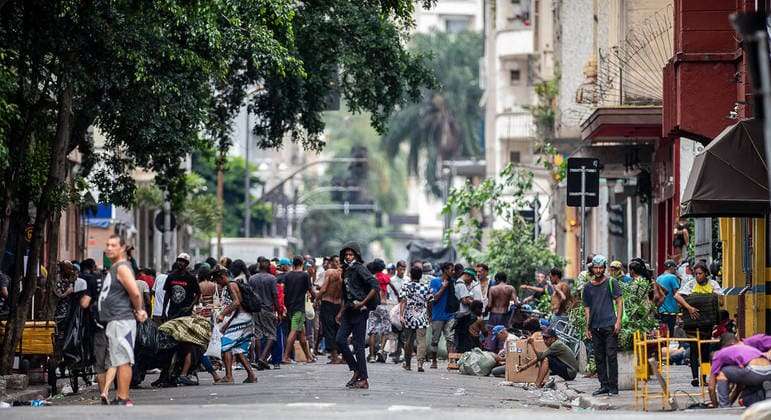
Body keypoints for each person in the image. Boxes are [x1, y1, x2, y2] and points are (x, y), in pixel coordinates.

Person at [97, 235, 148, 406]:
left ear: (122, 248)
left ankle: (123, 397)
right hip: (115, 320)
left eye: (113, 245)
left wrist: (139, 310)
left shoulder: (123, 268)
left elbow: (134, 292)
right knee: (118, 359)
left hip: (123, 320)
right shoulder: (115, 267)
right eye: (107, 245)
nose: (109, 248)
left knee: (124, 360)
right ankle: (120, 396)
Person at [336, 242, 379, 389]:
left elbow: (375, 285)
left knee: (358, 346)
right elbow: (345, 294)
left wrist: (362, 303)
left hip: (360, 312)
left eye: (351, 254)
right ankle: (356, 370)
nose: (348, 257)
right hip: (348, 310)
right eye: (346, 255)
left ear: (356, 255)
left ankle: (364, 379)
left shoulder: (360, 268)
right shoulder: (346, 270)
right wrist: (340, 312)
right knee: (340, 340)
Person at [675, 262, 723, 386]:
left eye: (700, 274)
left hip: (707, 324)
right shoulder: (691, 284)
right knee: (693, 350)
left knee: (705, 351)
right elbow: (677, 296)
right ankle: (695, 377)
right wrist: (689, 307)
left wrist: (710, 299)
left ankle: (704, 377)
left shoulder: (713, 284)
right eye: (695, 274)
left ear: (706, 273)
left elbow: (720, 301)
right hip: (692, 325)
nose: (697, 276)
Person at [582, 254, 623, 396]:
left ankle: (613, 387)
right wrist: (587, 327)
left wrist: (618, 321)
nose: (598, 270)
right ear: (592, 269)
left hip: (610, 325)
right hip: (595, 326)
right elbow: (587, 308)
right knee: (599, 357)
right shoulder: (587, 287)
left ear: (604, 268)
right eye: (596, 268)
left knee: (611, 356)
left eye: (601, 268)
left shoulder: (612, 282)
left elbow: (619, 301)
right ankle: (603, 385)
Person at [213, 266, 257, 384]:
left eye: (218, 280)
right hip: (245, 317)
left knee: (226, 345)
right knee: (237, 349)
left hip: (242, 318)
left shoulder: (231, 285)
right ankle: (251, 375)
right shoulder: (233, 284)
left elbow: (236, 302)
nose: (218, 283)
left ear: (222, 277)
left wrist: (222, 314)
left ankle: (228, 376)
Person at [709, 333, 771, 408]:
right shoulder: (745, 349)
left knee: (722, 373)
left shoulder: (718, 355)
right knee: (745, 396)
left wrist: (716, 407)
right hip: (768, 371)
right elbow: (740, 385)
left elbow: (711, 387)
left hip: (755, 371)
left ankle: (723, 407)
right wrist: (730, 402)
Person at [282, 256, 316, 363]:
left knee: (302, 333)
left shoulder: (287, 276)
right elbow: (310, 290)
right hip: (299, 308)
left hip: (290, 307)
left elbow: (284, 292)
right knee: (294, 331)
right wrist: (316, 299)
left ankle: (309, 357)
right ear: (302, 263)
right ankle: (286, 357)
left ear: (293, 264)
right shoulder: (305, 275)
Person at [400, 266, 433, 372]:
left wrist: (401, 315)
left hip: (409, 316)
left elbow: (403, 301)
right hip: (422, 317)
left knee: (408, 341)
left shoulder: (405, 286)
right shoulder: (426, 287)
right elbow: (430, 301)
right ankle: (420, 364)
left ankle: (408, 364)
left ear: (410, 274)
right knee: (421, 341)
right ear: (420, 276)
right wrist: (429, 314)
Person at [248, 257, 279, 370]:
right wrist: (278, 311)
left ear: (258, 266)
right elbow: (275, 296)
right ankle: (262, 358)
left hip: (256, 310)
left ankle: (258, 360)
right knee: (272, 335)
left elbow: (250, 295)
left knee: (258, 335)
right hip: (268, 309)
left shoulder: (252, 278)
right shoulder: (272, 279)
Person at [429, 262, 456, 369]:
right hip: (438, 315)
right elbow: (434, 298)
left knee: (450, 338)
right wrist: (443, 287)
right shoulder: (435, 282)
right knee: (435, 340)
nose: (453, 272)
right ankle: (434, 361)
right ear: (445, 270)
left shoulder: (452, 282)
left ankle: (451, 361)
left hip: (450, 314)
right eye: (451, 270)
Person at [316, 256, 343, 364]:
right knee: (338, 329)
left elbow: (323, 289)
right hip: (338, 304)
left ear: (330, 263)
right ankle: (341, 356)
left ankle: (334, 357)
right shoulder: (344, 274)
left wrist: (316, 300)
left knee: (329, 330)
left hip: (327, 303)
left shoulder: (330, 272)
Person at [367, 258, 394, 363]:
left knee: (372, 331)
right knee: (385, 330)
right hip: (383, 305)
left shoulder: (371, 278)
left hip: (373, 306)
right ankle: (381, 350)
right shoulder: (385, 277)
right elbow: (393, 287)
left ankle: (372, 355)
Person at [162, 253, 200, 320]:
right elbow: (167, 294)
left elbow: (198, 294)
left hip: (186, 313)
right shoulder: (171, 276)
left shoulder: (191, 278)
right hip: (172, 312)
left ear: (187, 264)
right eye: (179, 261)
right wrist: (163, 311)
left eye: (183, 261)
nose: (180, 263)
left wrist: (190, 307)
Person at [654, 259, 680, 336]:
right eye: (675, 267)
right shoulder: (673, 277)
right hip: (671, 311)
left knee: (663, 334)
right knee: (670, 334)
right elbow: (677, 294)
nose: (676, 269)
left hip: (661, 310)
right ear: (671, 267)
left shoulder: (658, 278)